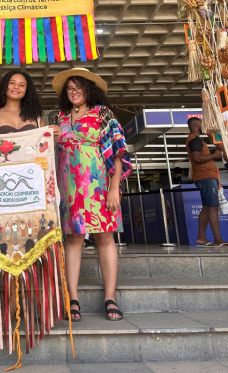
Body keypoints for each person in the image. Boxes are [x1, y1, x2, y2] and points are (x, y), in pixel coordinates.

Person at [51, 67, 131, 322]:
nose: (73, 92)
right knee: (73, 238)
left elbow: (117, 151)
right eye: (70, 88)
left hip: (98, 185)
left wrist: (114, 188)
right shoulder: (60, 117)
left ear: (89, 89)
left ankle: (110, 297)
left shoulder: (102, 113)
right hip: (68, 187)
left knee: (104, 237)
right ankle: (72, 298)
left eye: (78, 87)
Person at [186, 117, 228, 247]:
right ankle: (218, 239)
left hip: (205, 176)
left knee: (207, 206)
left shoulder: (195, 140)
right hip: (205, 176)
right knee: (212, 206)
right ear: (196, 125)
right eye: (202, 124)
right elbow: (197, 158)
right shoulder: (194, 140)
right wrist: (215, 155)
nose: (204, 127)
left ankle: (201, 237)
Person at [0, 70, 44, 135]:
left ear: (27, 91)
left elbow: (44, 140)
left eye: (22, 85)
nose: (16, 87)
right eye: (12, 83)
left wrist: (52, 134)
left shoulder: (37, 117)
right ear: (4, 86)